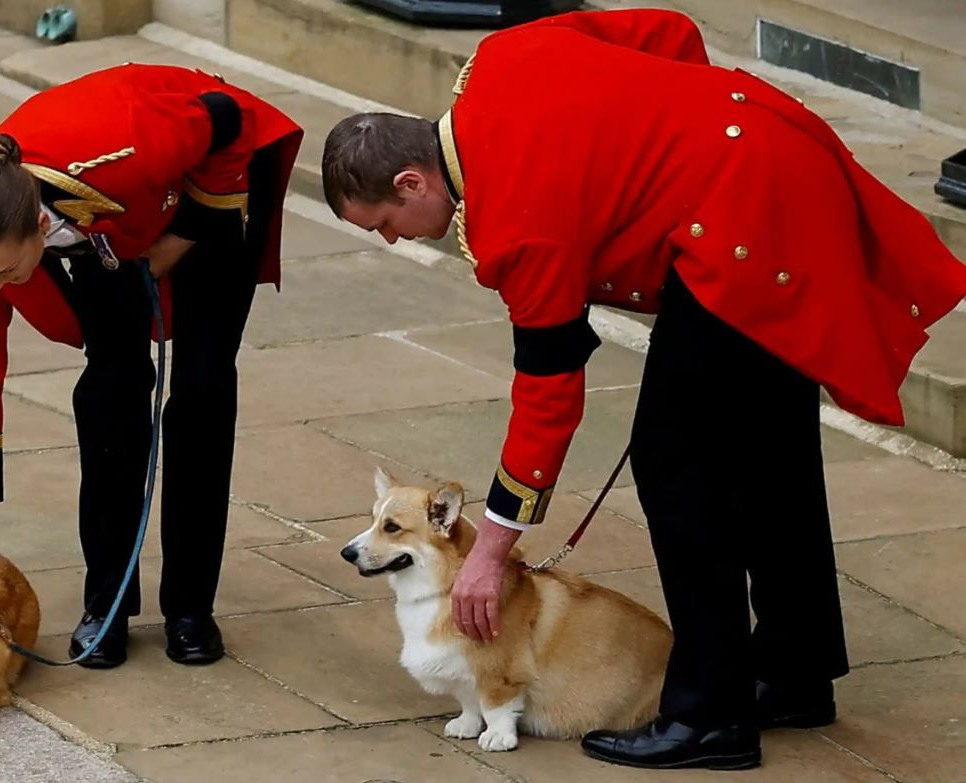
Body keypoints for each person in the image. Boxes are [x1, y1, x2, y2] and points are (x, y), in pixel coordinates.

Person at [319, 7, 966, 771]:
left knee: (675, 464)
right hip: (772, 152)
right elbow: (666, 32)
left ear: (411, 179)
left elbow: (549, 396)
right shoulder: (500, 56)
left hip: (740, 227)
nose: (396, 238)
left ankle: (710, 714)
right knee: (767, 447)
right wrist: (680, 138)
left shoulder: (516, 224)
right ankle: (793, 670)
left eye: (387, 222)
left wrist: (490, 550)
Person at [0, 63, 302, 669]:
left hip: (208, 187)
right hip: (107, 228)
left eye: (4, 270)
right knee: (110, 390)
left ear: (39, 225)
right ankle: (107, 605)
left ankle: (191, 609)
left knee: (202, 387)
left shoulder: (128, 148)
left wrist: (182, 237)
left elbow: (228, 123)